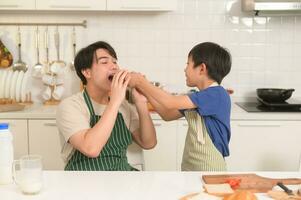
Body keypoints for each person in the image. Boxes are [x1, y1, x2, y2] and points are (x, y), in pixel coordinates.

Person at [129, 42, 232, 171]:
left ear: (202, 69)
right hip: (190, 166)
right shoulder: (195, 97)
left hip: (211, 169)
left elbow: (170, 102)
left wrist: (141, 82)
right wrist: (145, 93)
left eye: (188, 64)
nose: (185, 69)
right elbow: (167, 114)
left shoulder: (217, 94)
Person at [56, 41, 157, 171]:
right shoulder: (71, 106)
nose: (114, 67)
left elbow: (148, 143)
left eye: (115, 62)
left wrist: (141, 102)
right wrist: (115, 102)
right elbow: (91, 149)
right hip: (83, 180)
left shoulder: (123, 106)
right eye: (104, 62)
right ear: (87, 72)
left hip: (121, 176)